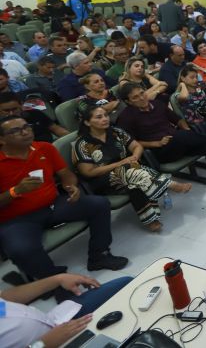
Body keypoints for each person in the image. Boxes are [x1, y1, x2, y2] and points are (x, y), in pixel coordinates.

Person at [0, 115, 129, 280]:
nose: (25, 132)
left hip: (53, 205)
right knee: (21, 249)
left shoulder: (45, 148)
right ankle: (53, 281)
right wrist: (15, 191)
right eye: (16, 131)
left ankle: (99, 256)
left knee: (99, 204)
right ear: (2, 139)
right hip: (18, 219)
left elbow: (65, 174)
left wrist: (71, 187)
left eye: (27, 127)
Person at [75, 105, 191, 232]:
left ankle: (152, 220)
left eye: (106, 115)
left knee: (133, 182)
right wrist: (120, 163)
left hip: (130, 171)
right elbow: (88, 172)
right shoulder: (82, 144)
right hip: (103, 180)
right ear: (87, 122)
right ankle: (169, 184)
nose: (105, 119)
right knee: (130, 171)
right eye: (99, 117)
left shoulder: (116, 131)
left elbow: (137, 146)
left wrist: (134, 157)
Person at [116, 84, 206, 203]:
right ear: (128, 101)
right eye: (135, 97)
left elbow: (178, 120)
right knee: (183, 136)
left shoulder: (157, 104)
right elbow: (131, 144)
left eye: (142, 93)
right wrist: (156, 143)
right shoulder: (126, 117)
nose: (142, 98)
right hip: (161, 151)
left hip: (180, 143)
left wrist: (187, 131)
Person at [0, 273, 133, 347]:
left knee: (127, 284)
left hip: (58, 320)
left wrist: (58, 279)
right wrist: (42, 344)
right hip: (49, 343)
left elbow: (5, 298)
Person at [0, 93, 68, 142]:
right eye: (6, 111)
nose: (11, 113)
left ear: (21, 105)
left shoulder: (35, 113)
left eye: (15, 109)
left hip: (50, 147)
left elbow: (56, 129)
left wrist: (71, 139)